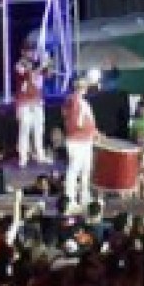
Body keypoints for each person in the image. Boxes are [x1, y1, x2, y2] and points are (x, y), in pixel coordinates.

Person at [62, 73, 100, 210]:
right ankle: (69, 198)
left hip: (86, 141)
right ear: (76, 86)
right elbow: (74, 123)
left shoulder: (84, 102)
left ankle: (84, 196)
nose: (85, 87)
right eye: (82, 84)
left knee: (86, 170)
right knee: (74, 170)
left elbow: (88, 121)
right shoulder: (73, 100)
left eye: (85, 84)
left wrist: (94, 132)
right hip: (76, 141)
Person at [13, 56, 46, 167]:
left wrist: (44, 65)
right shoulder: (21, 73)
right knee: (24, 131)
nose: (28, 65)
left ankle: (40, 155)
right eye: (26, 64)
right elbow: (18, 67)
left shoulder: (38, 75)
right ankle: (23, 157)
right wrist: (24, 61)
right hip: (24, 106)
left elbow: (39, 83)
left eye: (30, 64)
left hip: (37, 105)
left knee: (39, 131)